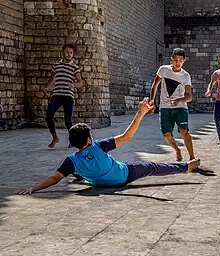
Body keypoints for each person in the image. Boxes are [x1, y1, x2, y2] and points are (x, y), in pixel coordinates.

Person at [17, 98, 201, 195]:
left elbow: (54, 179)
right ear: (89, 139)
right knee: (151, 167)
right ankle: (186, 167)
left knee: (77, 168)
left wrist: (33, 188)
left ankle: (80, 176)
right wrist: (140, 112)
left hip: (99, 183)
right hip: (122, 175)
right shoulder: (99, 146)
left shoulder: (71, 160)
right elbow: (127, 136)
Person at [149, 48, 196, 161]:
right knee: (166, 135)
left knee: (184, 132)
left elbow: (189, 96)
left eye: (180, 60)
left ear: (183, 61)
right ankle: (177, 150)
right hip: (165, 108)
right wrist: (152, 102)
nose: (178, 62)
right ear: (171, 60)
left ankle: (192, 157)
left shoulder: (186, 76)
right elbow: (154, 86)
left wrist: (179, 100)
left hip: (180, 108)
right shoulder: (163, 70)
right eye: (175, 60)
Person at [46, 44, 83, 148]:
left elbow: (80, 83)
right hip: (56, 95)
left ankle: (72, 140)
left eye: (71, 53)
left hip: (68, 97)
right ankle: (55, 137)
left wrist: (73, 85)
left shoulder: (75, 68)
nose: (68, 54)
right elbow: (51, 79)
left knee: (68, 121)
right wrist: (48, 85)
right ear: (62, 52)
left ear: (73, 54)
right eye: (67, 52)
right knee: (49, 115)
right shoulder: (56, 66)